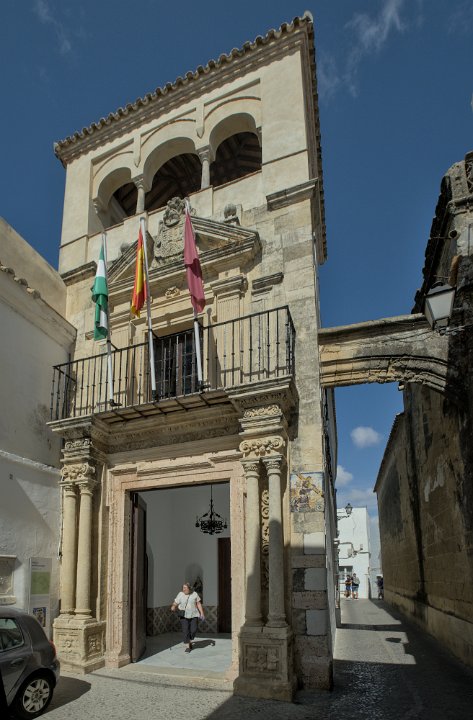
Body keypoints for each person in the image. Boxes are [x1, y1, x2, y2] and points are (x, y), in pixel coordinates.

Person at [171, 582, 205, 653]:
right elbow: (176, 602)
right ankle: (187, 647)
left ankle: (189, 641)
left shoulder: (194, 594)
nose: (184, 589)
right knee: (185, 630)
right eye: (183, 588)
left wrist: (201, 613)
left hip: (194, 614)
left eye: (185, 588)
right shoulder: (180, 594)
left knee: (193, 630)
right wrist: (173, 606)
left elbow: (198, 603)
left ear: (189, 588)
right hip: (184, 615)